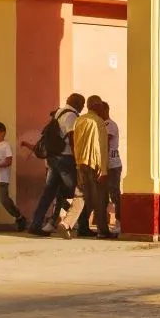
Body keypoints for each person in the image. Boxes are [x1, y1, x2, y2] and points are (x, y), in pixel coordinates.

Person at [22, 93, 83, 235]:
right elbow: (72, 137)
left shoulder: (58, 113)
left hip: (53, 159)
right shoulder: (71, 116)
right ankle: (77, 224)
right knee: (80, 190)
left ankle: (36, 225)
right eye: (82, 103)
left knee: (48, 193)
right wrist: (77, 158)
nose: (83, 107)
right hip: (65, 157)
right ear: (77, 103)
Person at [70, 95, 112, 238]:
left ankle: (70, 223)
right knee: (99, 198)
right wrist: (103, 169)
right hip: (94, 164)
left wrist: (77, 161)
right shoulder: (98, 122)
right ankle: (103, 231)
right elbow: (100, 146)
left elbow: (74, 141)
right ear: (97, 106)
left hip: (80, 163)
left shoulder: (79, 120)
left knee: (82, 196)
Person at [95, 97, 122, 237]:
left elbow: (105, 143)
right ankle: (103, 225)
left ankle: (119, 221)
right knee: (103, 195)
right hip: (105, 165)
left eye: (99, 111)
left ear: (105, 110)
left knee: (114, 194)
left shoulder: (109, 125)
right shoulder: (101, 125)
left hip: (113, 164)